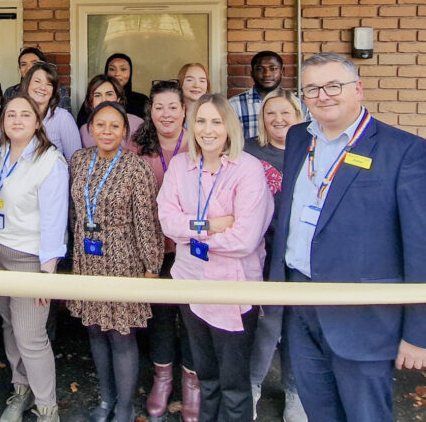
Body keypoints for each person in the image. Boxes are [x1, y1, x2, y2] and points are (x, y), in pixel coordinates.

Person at [270, 53, 426, 421]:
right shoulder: (297, 138)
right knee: (319, 412)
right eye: (311, 88)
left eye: (333, 86)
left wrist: (419, 332)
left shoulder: (404, 152)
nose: (323, 95)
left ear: (358, 89)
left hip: (363, 317)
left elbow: (421, 247)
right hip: (300, 304)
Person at [157, 94, 274, 422]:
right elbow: (168, 222)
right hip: (190, 284)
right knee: (205, 377)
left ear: (229, 127)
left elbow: (244, 240)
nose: (207, 130)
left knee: (234, 386)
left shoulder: (248, 169)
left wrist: (191, 232)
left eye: (216, 121)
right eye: (201, 121)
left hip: (232, 288)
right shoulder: (181, 166)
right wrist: (209, 225)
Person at [68, 101, 162, 422]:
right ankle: (106, 399)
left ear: (125, 132)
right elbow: (74, 212)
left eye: (114, 126)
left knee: (121, 334)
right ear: (90, 128)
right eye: (100, 124)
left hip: (124, 260)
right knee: (95, 330)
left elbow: (147, 222)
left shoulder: (137, 169)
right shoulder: (79, 161)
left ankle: (124, 406)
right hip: (87, 259)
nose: (107, 131)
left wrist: (152, 268)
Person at [0, 95, 68, 422]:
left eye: (25, 115)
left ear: (38, 122)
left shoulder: (50, 160)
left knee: (30, 336)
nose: (17, 120)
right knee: (9, 327)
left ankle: (47, 406)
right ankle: (20, 390)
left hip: (29, 260)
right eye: (11, 115)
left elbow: (55, 219)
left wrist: (47, 272)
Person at [134, 81, 196, 422]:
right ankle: (162, 379)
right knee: (159, 317)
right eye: (159, 107)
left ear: (185, 109)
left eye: (173, 106)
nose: (166, 113)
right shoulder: (139, 147)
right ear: (151, 112)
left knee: (191, 318)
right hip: (155, 248)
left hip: (192, 249)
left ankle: (191, 383)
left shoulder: (198, 142)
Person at [242, 88, 305, 421]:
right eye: (271, 114)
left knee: (299, 324)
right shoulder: (250, 151)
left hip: (302, 254)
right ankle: (253, 387)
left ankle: (295, 391)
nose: (279, 120)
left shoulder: (312, 151)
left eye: (286, 113)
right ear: (262, 119)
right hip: (263, 252)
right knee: (268, 324)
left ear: (298, 116)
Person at [23, 62, 81, 163]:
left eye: (49, 84)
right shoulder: (13, 115)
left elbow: (75, 162)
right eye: (37, 81)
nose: (42, 87)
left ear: (53, 91)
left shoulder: (63, 118)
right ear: (27, 84)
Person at [228, 51, 285, 139]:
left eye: (273, 69)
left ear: (281, 72)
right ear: (252, 73)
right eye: (260, 69)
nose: (266, 74)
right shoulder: (234, 105)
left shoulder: (297, 104)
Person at [76, 75, 143, 149]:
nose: (104, 100)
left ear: (118, 98)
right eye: (97, 95)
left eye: (109, 94)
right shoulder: (85, 130)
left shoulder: (137, 124)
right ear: (91, 101)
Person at [2, 46, 71, 109]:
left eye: (34, 63)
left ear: (43, 66)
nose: (29, 68)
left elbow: (65, 120)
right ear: (20, 69)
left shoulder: (59, 90)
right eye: (23, 64)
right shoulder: (10, 92)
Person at [103, 53, 148, 119]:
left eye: (123, 69)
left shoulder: (141, 101)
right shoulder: (96, 98)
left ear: (130, 72)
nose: (117, 73)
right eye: (112, 69)